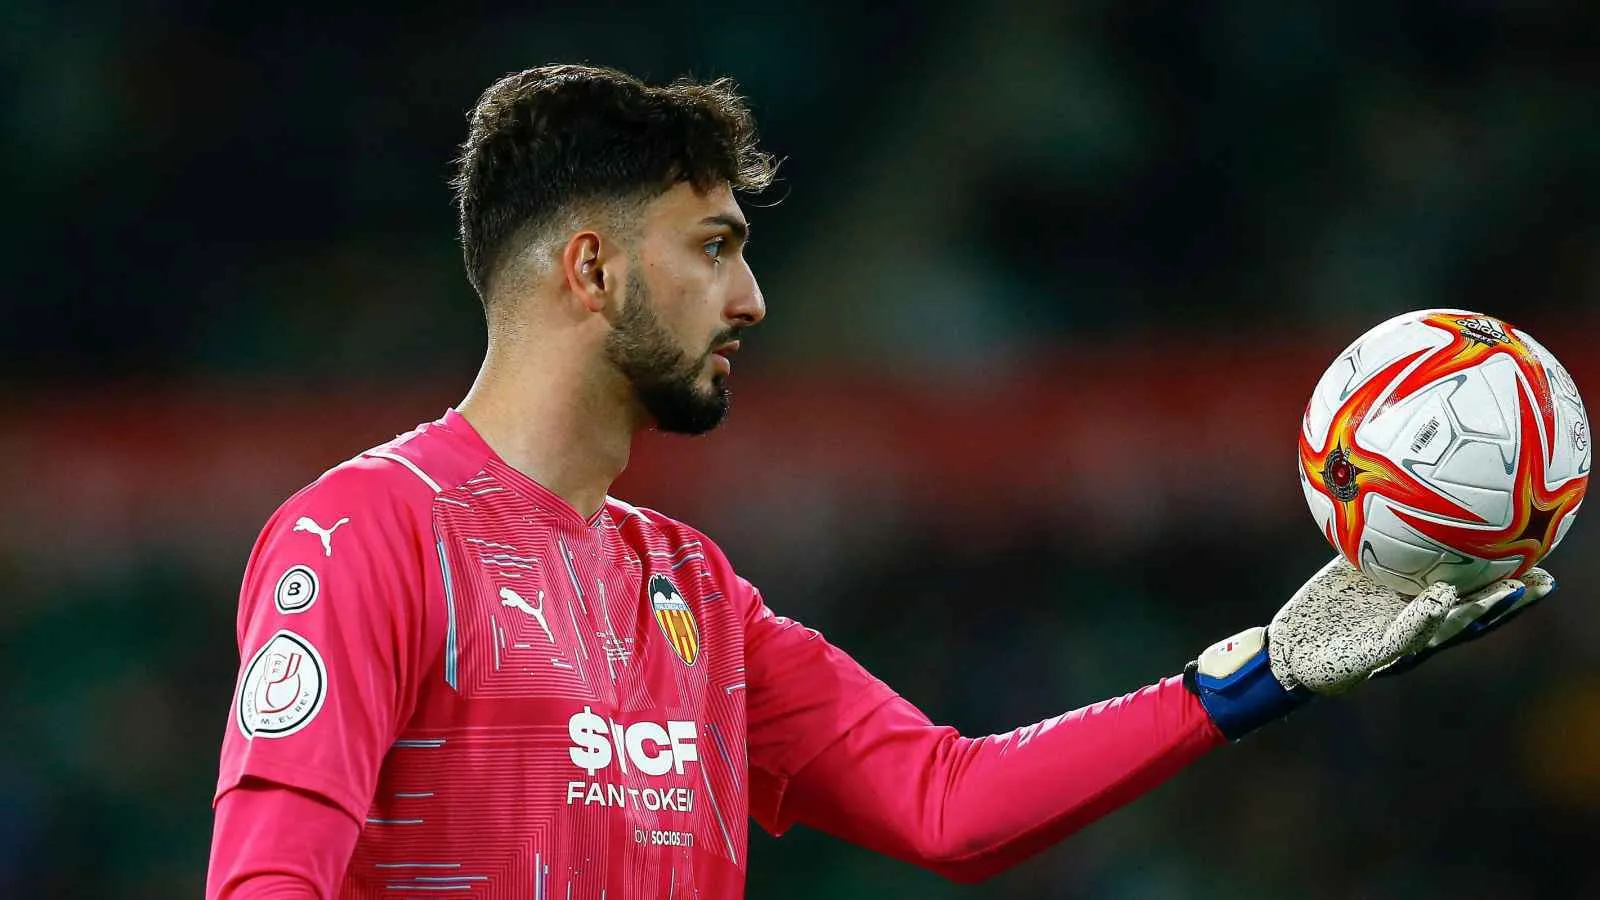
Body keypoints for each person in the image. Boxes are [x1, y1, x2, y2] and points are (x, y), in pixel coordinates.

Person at [205, 64, 1554, 899]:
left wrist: (1258, 675)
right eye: (716, 246)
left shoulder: (690, 591)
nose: (753, 296)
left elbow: (949, 804)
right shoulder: (368, 532)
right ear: (592, 269)